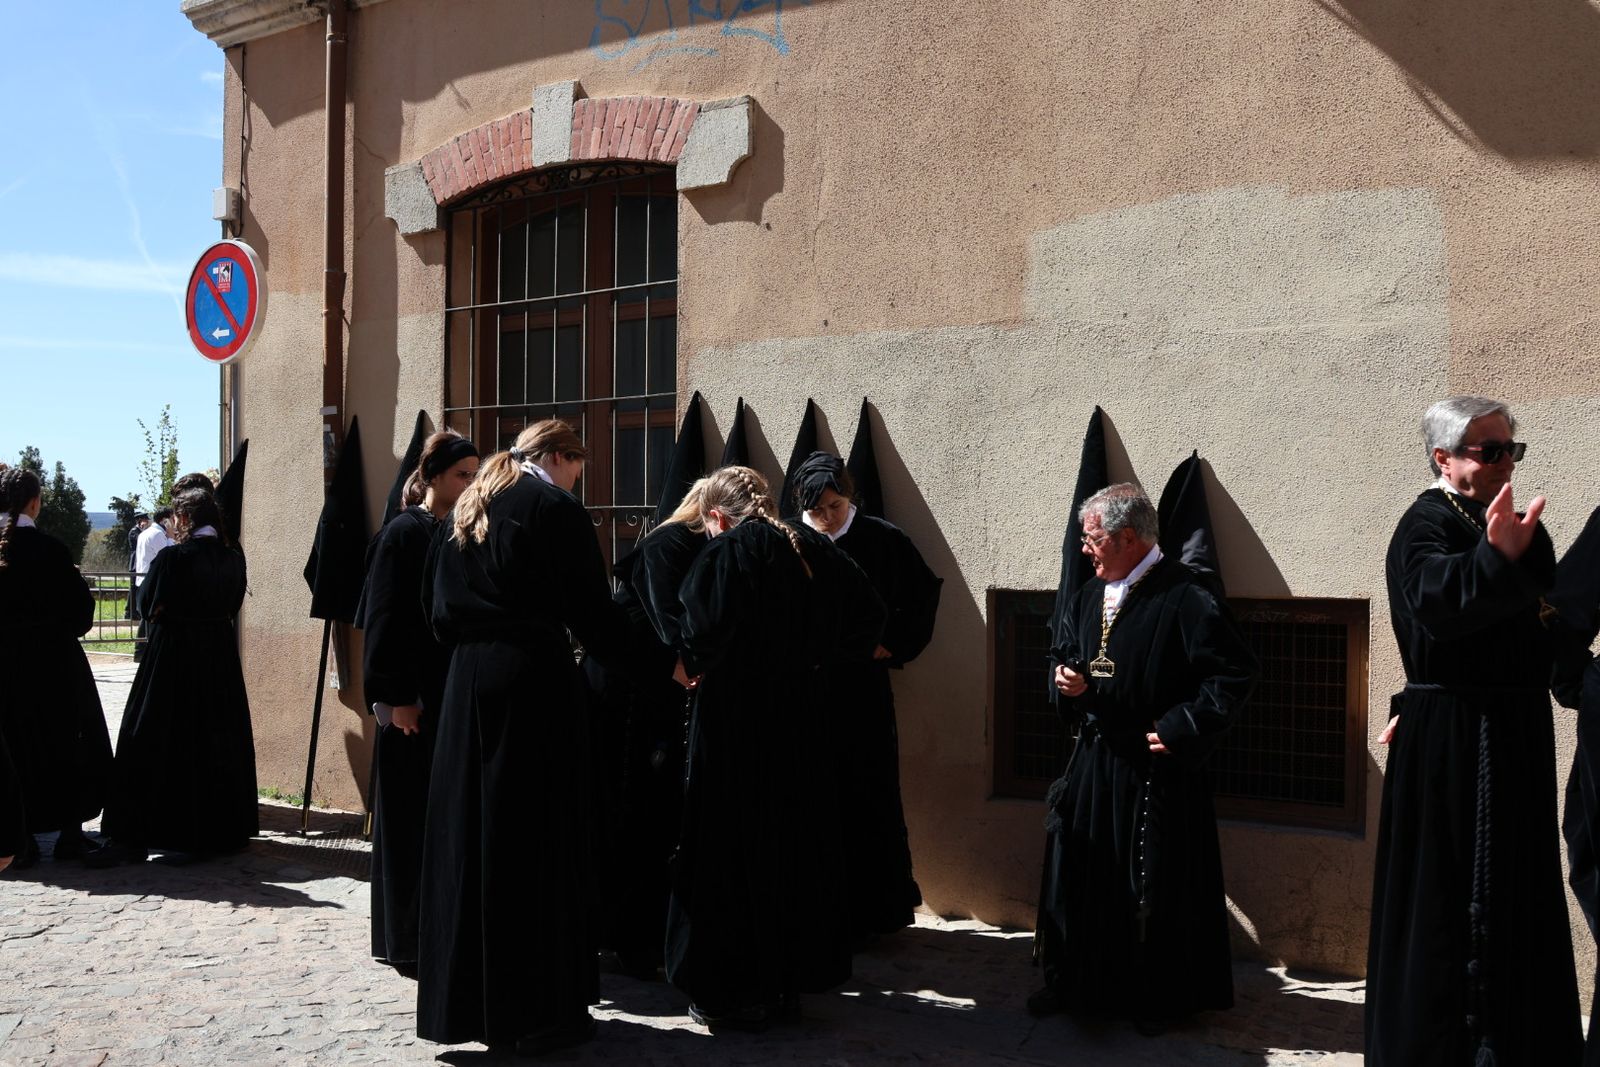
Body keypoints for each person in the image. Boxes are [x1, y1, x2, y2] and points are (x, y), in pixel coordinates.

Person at [416, 420, 670, 1056]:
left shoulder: (468, 505)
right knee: (533, 842)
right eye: (577, 469)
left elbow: (437, 609)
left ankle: (469, 1003)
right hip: (531, 685)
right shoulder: (552, 508)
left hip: (467, 684)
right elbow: (594, 611)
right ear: (559, 457)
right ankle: (532, 1007)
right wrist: (658, 663)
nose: (576, 481)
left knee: (471, 837)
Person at [1366, 396, 1582, 1066]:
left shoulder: (1493, 520)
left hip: (1509, 730)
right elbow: (1436, 602)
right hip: (1460, 740)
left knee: (1517, 891)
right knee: (1453, 901)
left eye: (1511, 449)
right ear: (1444, 457)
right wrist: (1494, 557)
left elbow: (1536, 608)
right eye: (1489, 450)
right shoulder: (1424, 523)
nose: (1504, 462)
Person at [667, 465, 887, 1031]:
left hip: (736, 719)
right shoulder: (814, 548)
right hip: (803, 717)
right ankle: (787, 982)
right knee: (793, 843)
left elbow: (699, 637)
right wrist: (813, 662)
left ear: (717, 516)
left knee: (729, 847)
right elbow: (869, 618)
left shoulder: (726, 554)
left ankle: (727, 988)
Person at [1031, 483, 1256, 1032]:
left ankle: (1153, 997)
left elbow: (1232, 673)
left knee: (1150, 885)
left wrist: (1184, 724)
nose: (1085, 549)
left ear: (1129, 537)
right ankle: (1078, 982)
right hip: (1095, 764)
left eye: (1095, 539)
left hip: (1155, 771)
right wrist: (1069, 680)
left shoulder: (1186, 594)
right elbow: (1072, 652)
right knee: (1083, 877)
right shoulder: (1089, 594)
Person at [790, 451, 942, 941]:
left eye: (834, 506)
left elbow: (922, 593)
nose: (827, 517)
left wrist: (892, 641)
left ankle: (873, 910)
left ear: (848, 497)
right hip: (809, 685)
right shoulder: (793, 537)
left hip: (861, 688)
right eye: (817, 510)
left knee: (866, 790)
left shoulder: (881, 538)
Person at [356, 430, 478, 975]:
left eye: (476, 475)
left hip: (448, 693)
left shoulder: (462, 530)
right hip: (411, 702)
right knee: (407, 820)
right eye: (461, 475)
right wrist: (394, 696)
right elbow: (383, 622)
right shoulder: (403, 535)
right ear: (431, 477)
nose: (470, 484)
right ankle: (404, 935)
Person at [91, 487, 256, 865]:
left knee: (151, 735)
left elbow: (146, 605)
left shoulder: (173, 558)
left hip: (174, 657)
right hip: (218, 659)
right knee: (213, 739)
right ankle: (216, 830)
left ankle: (140, 830)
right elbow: (231, 604)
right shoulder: (233, 559)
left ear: (183, 519)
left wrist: (172, 606)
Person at [586, 478, 709, 979]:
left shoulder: (688, 545)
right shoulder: (669, 542)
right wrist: (682, 660)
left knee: (649, 818)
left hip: (646, 686)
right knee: (632, 815)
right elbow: (666, 622)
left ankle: (637, 936)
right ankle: (626, 940)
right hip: (628, 693)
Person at [0, 464, 113, 866]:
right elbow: (81, 615)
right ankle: (69, 832)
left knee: (14, 745)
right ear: (34, 502)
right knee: (68, 744)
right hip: (54, 665)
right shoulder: (51, 551)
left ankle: (19, 837)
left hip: (4, 667)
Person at [132, 507, 173, 661]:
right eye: (172, 518)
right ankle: (141, 650)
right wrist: (170, 537)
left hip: (144, 578)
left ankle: (140, 650)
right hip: (152, 579)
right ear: (165, 520)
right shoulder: (157, 534)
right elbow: (167, 554)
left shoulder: (147, 532)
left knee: (147, 616)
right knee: (151, 616)